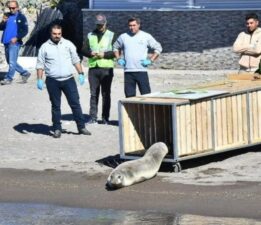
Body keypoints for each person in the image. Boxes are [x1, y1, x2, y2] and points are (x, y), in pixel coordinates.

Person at [36, 24, 91, 138]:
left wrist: (81, 73)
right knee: (56, 106)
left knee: (75, 104)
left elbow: (75, 60)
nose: (57, 36)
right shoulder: (44, 47)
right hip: (52, 81)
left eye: (59, 34)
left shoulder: (68, 44)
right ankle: (57, 128)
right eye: (55, 34)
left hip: (68, 80)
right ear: (50, 34)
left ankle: (81, 127)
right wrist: (39, 79)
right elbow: (40, 65)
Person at [113, 16, 162, 97]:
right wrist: (118, 59)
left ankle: (146, 110)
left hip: (141, 71)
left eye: (134, 25)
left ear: (139, 25)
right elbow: (115, 47)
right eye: (130, 25)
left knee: (146, 96)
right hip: (128, 71)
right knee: (129, 97)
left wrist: (150, 60)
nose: (132, 27)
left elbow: (158, 48)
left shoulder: (146, 36)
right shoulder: (123, 36)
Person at [82, 14, 116, 124]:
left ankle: (105, 118)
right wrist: (90, 53)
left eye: (101, 25)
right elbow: (83, 49)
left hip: (106, 68)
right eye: (98, 25)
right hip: (93, 68)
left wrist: (104, 55)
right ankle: (93, 117)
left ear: (105, 23)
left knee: (106, 94)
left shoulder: (111, 35)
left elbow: (116, 52)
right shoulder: (90, 35)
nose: (99, 26)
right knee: (93, 94)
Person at [0, 1, 31, 85]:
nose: (11, 9)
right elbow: (1, 27)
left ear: (17, 7)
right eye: (10, 8)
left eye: (13, 8)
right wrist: (3, 22)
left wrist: (17, 38)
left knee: (12, 62)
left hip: (14, 43)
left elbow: (25, 31)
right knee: (10, 61)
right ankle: (25, 73)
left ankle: (8, 78)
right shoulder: (7, 15)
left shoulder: (21, 17)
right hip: (6, 42)